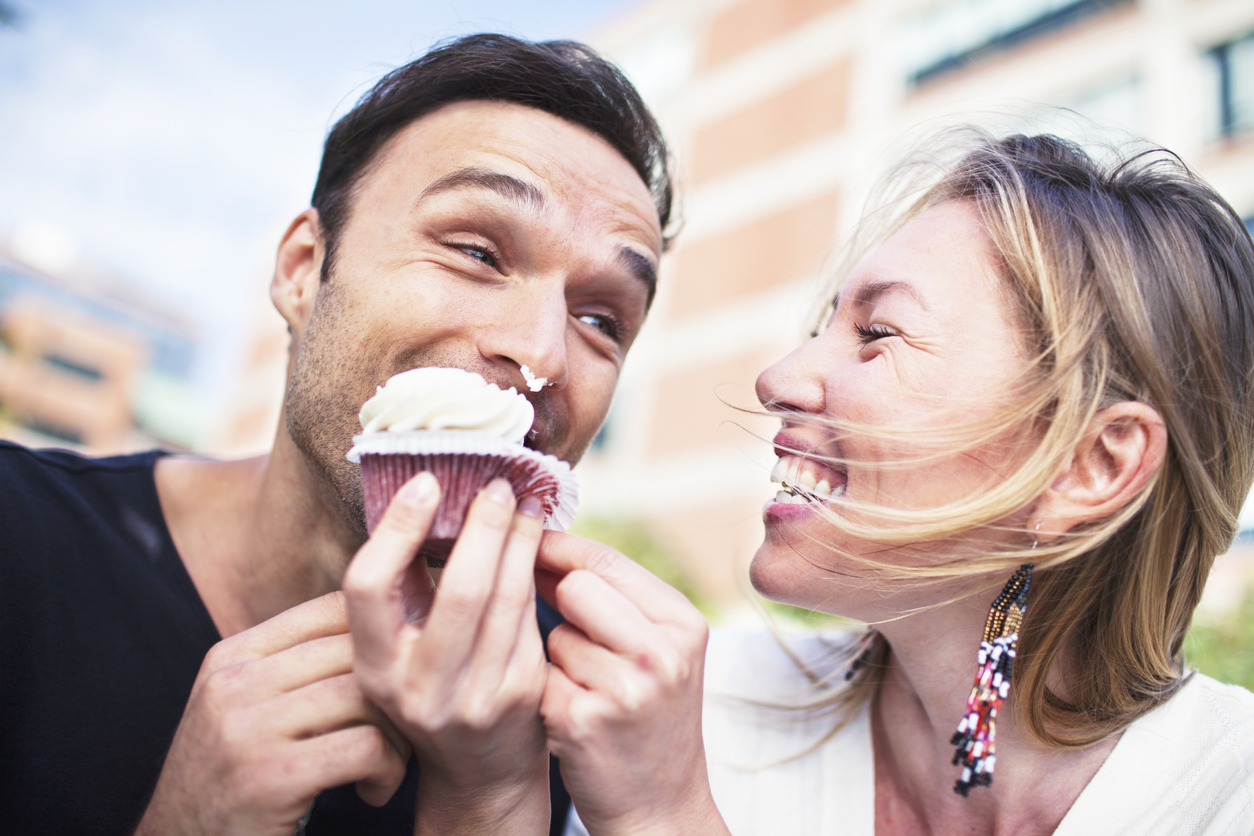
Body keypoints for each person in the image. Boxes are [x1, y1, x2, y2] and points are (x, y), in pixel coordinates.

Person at [0, 33, 673, 835]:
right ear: (301, 271)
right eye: (476, 252)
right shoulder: (22, 544)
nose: (540, 353)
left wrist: (488, 799)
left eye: (601, 320)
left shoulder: (573, 701)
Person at [533, 132, 1254, 834]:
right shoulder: (688, 708)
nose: (778, 378)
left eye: (878, 334)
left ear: (1088, 467)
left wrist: (664, 819)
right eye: (825, 325)